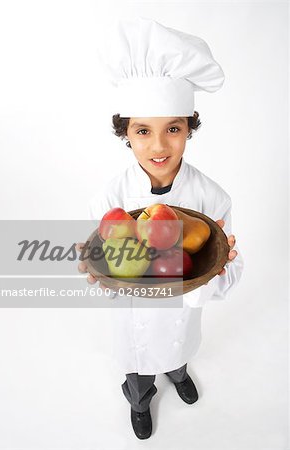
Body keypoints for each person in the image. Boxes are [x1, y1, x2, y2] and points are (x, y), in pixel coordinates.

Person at [76, 17, 244, 440]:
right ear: (126, 135)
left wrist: (220, 268)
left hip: (181, 319)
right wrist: (92, 266)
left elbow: (230, 275)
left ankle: (178, 372)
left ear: (190, 129)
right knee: (138, 371)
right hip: (132, 320)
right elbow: (105, 270)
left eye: (173, 128)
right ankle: (140, 399)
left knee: (178, 350)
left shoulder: (212, 199)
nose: (158, 146)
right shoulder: (109, 199)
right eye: (142, 131)